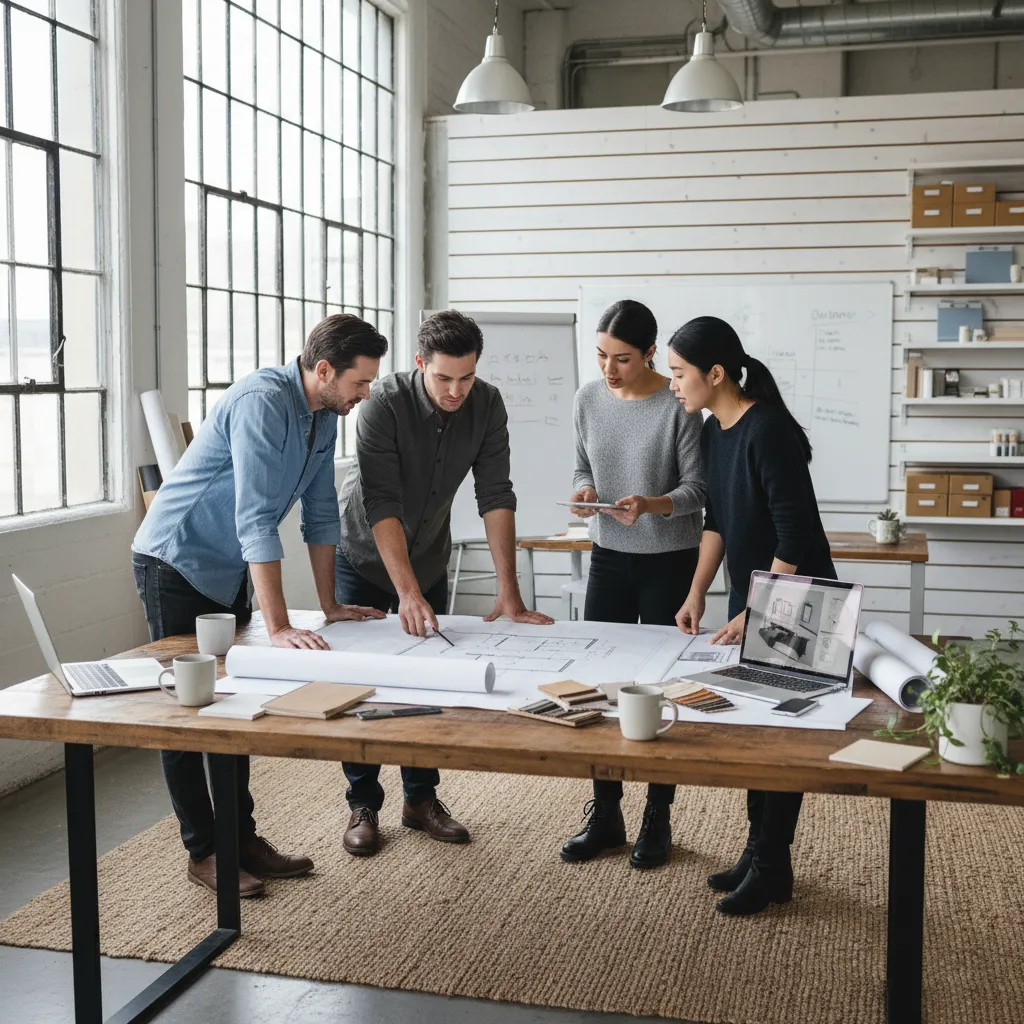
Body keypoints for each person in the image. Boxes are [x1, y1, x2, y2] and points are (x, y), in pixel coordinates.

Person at [132, 314, 389, 897]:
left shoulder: (325, 416)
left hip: (228, 571)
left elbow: (321, 512)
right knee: (188, 712)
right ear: (323, 370)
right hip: (175, 561)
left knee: (235, 706)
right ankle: (203, 851)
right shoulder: (260, 401)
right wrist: (276, 625)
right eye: (360, 383)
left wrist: (330, 604)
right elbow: (254, 518)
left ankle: (241, 840)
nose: (365, 394)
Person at [335, 309, 554, 857]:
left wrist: (510, 591)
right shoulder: (383, 402)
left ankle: (421, 799)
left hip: (429, 555)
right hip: (364, 555)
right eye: (444, 378)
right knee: (363, 682)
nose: (457, 390)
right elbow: (381, 500)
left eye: (467, 377)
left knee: (427, 681)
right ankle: (363, 803)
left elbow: (496, 493)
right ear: (419, 364)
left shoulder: (488, 403)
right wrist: (404, 592)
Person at [668, 315, 836, 917]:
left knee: (780, 739)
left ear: (715, 374)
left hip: (802, 600)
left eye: (679, 373)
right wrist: (697, 594)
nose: (674, 385)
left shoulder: (765, 430)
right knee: (757, 733)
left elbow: (795, 534)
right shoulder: (716, 430)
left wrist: (755, 611)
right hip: (761, 597)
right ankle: (759, 854)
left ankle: (770, 865)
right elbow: (717, 522)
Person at [559, 300, 705, 870]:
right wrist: (581, 490)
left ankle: (657, 817)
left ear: (650, 352)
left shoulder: (678, 404)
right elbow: (581, 467)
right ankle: (606, 814)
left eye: (621, 358)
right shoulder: (587, 399)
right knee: (601, 686)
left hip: (670, 560)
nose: (608, 370)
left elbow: (698, 490)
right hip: (608, 556)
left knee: (658, 687)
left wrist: (652, 503)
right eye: (600, 356)